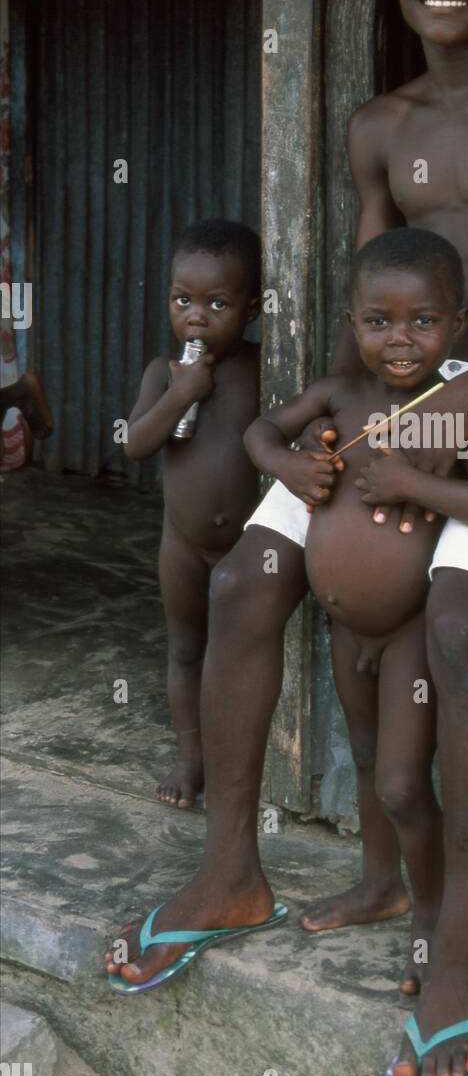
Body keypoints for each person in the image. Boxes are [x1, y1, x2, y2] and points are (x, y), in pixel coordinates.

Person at [105, 0, 468, 1076]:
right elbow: (369, 297)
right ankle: (231, 871)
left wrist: (456, 406)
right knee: (247, 574)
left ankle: (458, 953)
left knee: (458, 622)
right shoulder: (377, 124)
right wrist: (326, 434)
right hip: (393, 389)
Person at [245, 228, 468, 1021]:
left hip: (405, 631)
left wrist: (412, 481)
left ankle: (436, 917)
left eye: (421, 323)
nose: (399, 341)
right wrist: (287, 466)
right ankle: (379, 888)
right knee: (367, 762)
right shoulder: (339, 396)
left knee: (403, 781)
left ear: (456, 325)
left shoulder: (453, 418)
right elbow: (258, 431)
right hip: (344, 628)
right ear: (352, 322)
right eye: (378, 322)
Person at [123, 220, 261, 809]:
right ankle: (190, 758)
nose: (197, 317)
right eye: (184, 300)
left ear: (252, 309)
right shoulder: (163, 371)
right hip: (180, 544)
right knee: (185, 649)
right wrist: (180, 394)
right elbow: (134, 443)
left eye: (218, 304)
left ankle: (243, 763)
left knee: (237, 656)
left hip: (245, 546)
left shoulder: (262, 368)